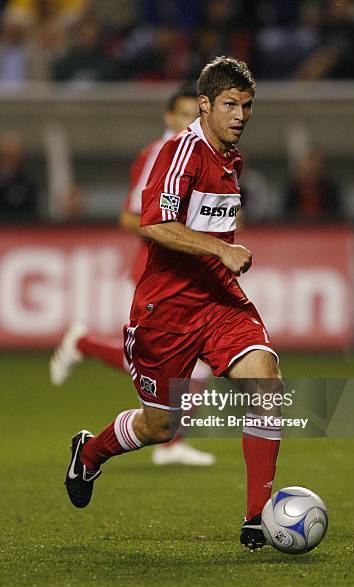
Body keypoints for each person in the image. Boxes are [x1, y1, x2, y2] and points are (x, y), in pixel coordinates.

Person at [64, 56, 283, 551]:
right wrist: (221, 248)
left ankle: (257, 517)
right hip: (166, 311)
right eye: (230, 104)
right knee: (161, 426)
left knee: (266, 385)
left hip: (221, 303)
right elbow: (153, 224)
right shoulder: (181, 151)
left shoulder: (232, 157)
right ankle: (90, 452)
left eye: (247, 106)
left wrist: (221, 250)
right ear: (204, 105)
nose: (240, 115)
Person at [51, 85, 214, 466]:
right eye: (183, 114)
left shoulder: (201, 154)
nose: (189, 122)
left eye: (196, 115)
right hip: (159, 269)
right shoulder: (159, 154)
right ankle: (86, 345)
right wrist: (179, 235)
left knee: (186, 364)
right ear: (167, 118)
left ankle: (170, 444)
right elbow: (130, 216)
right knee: (183, 363)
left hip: (188, 270)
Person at [283, 148, 343, 222]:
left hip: (324, 227)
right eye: (309, 166)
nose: (312, 168)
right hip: (297, 227)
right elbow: (286, 212)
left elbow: (336, 212)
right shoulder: (293, 187)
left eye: (315, 166)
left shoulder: (330, 187)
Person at [0, 131, 39, 222]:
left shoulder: (29, 179)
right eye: (6, 155)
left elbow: (34, 208)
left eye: (13, 155)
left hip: (23, 227)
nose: (10, 159)